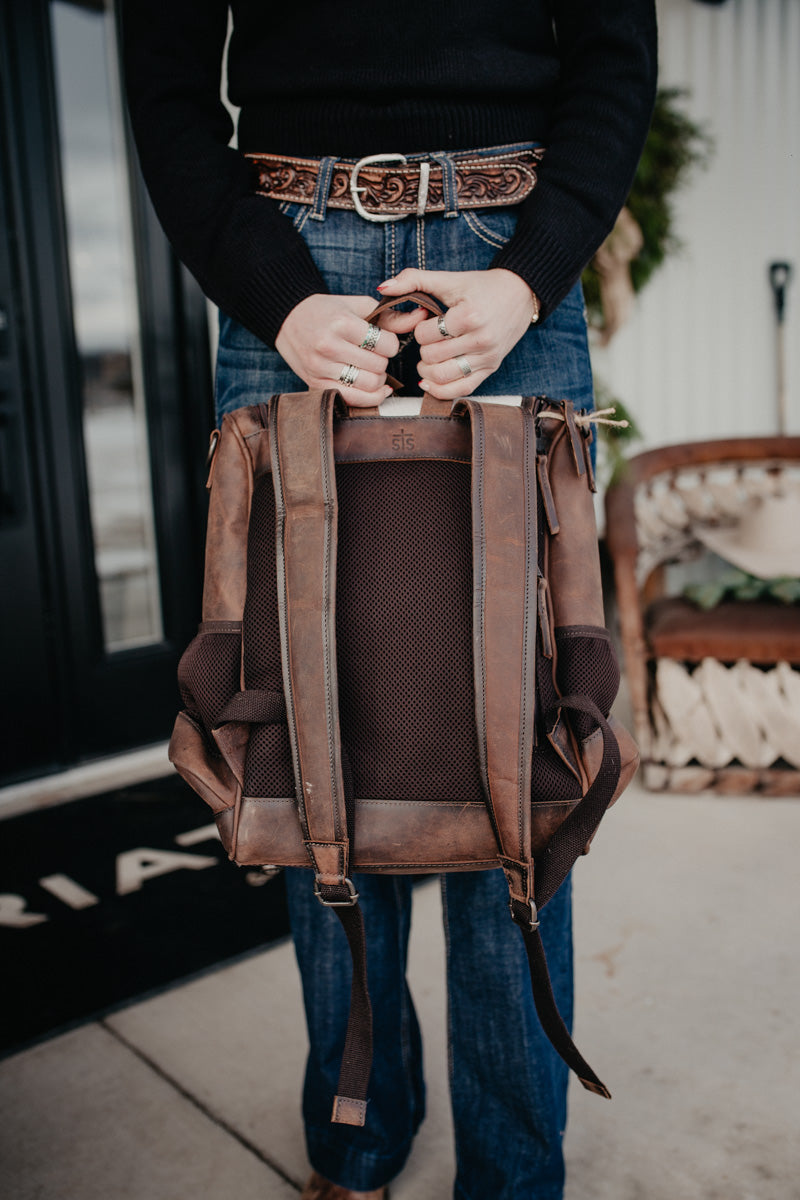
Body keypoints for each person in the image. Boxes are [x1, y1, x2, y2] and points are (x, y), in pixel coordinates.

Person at [122, 4, 657, 1197]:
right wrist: (274, 293)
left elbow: (614, 58)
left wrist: (525, 281)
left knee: (522, 748)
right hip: (289, 262)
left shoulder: (520, 283)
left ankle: (513, 1177)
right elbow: (161, 75)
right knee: (311, 731)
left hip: (505, 261)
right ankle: (357, 1138)